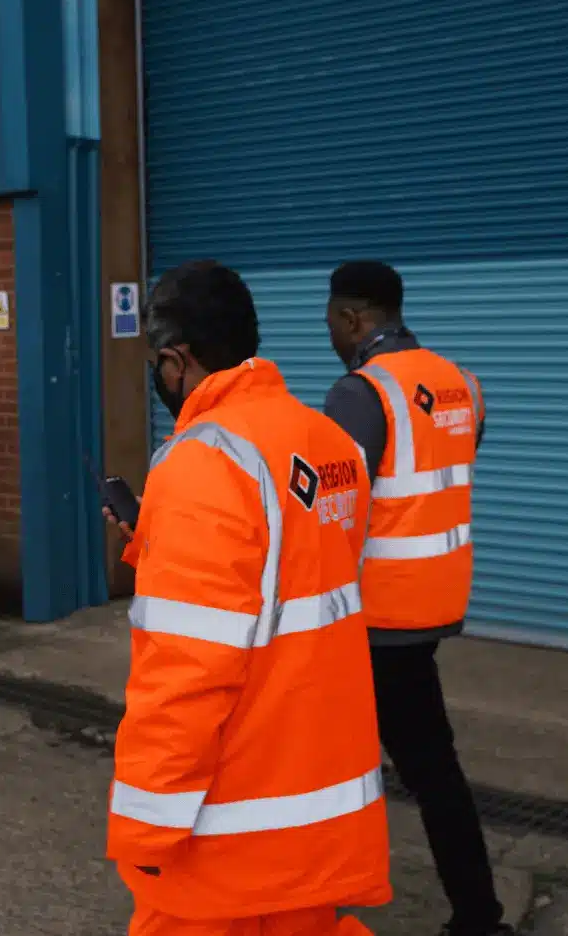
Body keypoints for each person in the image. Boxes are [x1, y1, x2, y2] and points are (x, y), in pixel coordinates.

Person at [106, 259, 390, 936]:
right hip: (314, 806)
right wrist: (162, 534)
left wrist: (145, 826)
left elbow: (186, 669)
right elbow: (289, 575)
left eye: (157, 362)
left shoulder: (202, 462)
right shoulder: (329, 443)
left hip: (228, 827)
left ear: (176, 360)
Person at [323, 260, 512, 936]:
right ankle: (478, 916)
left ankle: (313, 909)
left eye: (331, 320)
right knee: (433, 769)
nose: (330, 333)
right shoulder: (462, 384)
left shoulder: (361, 392)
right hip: (433, 605)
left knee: (328, 770)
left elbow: (329, 509)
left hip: (369, 615)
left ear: (352, 317)